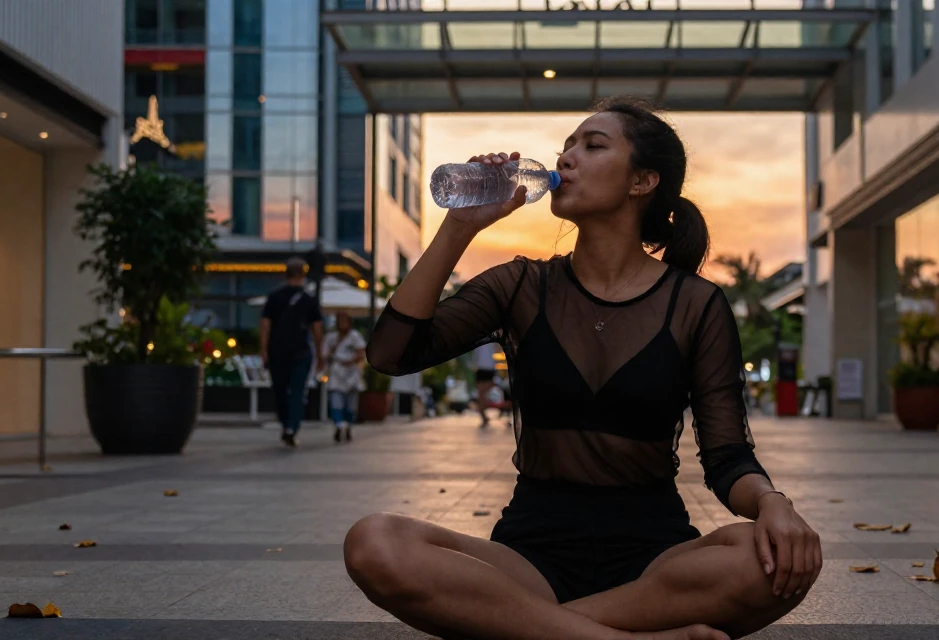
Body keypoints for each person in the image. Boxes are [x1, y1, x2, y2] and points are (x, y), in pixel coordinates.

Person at [344, 98, 821, 640]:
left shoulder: (695, 304)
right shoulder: (521, 286)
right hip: (527, 559)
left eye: (592, 146)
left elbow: (727, 456)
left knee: (776, 558)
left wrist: (773, 505)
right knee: (373, 542)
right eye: (566, 146)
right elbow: (391, 355)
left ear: (642, 181)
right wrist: (459, 229)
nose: (566, 158)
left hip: (655, 561)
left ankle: (526, 630)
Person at [260, 257, 325, 447]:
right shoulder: (309, 300)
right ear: (303, 275)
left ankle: (285, 423)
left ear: (286, 274)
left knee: (280, 391)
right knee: (297, 391)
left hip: (277, 351)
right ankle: (292, 427)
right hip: (301, 351)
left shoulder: (274, 297)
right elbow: (317, 329)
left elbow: (265, 325)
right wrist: (320, 354)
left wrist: (263, 350)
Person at [322, 311, 366, 442]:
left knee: (351, 405)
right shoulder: (331, 337)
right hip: (336, 373)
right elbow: (325, 353)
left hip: (352, 374)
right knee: (336, 401)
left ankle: (348, 427)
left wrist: (350, 361)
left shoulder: (355, 337)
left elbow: (361, 354)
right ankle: (338, 425)